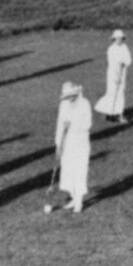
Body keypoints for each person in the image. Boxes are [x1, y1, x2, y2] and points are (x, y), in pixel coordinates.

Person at [55, 81, 93, 213]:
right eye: (67, 96)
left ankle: (79, 202)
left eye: (71, 95)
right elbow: (60, 125)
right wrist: (58, 144)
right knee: (68, 171)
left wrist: (72, 126)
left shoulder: (84, 104)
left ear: (76, 93)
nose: (69, 98)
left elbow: (88, 124)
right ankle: (74, 197)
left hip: (81, 143)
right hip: (67, 144)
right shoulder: (64, 105)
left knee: (79, 171)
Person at [94, 30, 133, 124]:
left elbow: (128, 60)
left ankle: (118, 114)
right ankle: (110, 113)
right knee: (112, 92)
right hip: (113, 74)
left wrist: (123, 63)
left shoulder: (124, 47)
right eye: (117, 38)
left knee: (120, 93)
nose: (119, 40)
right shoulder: (111, 49)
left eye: (120, 38)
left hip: (122, 73)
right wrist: (117, 76)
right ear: (113, 39)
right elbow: (113, 63)